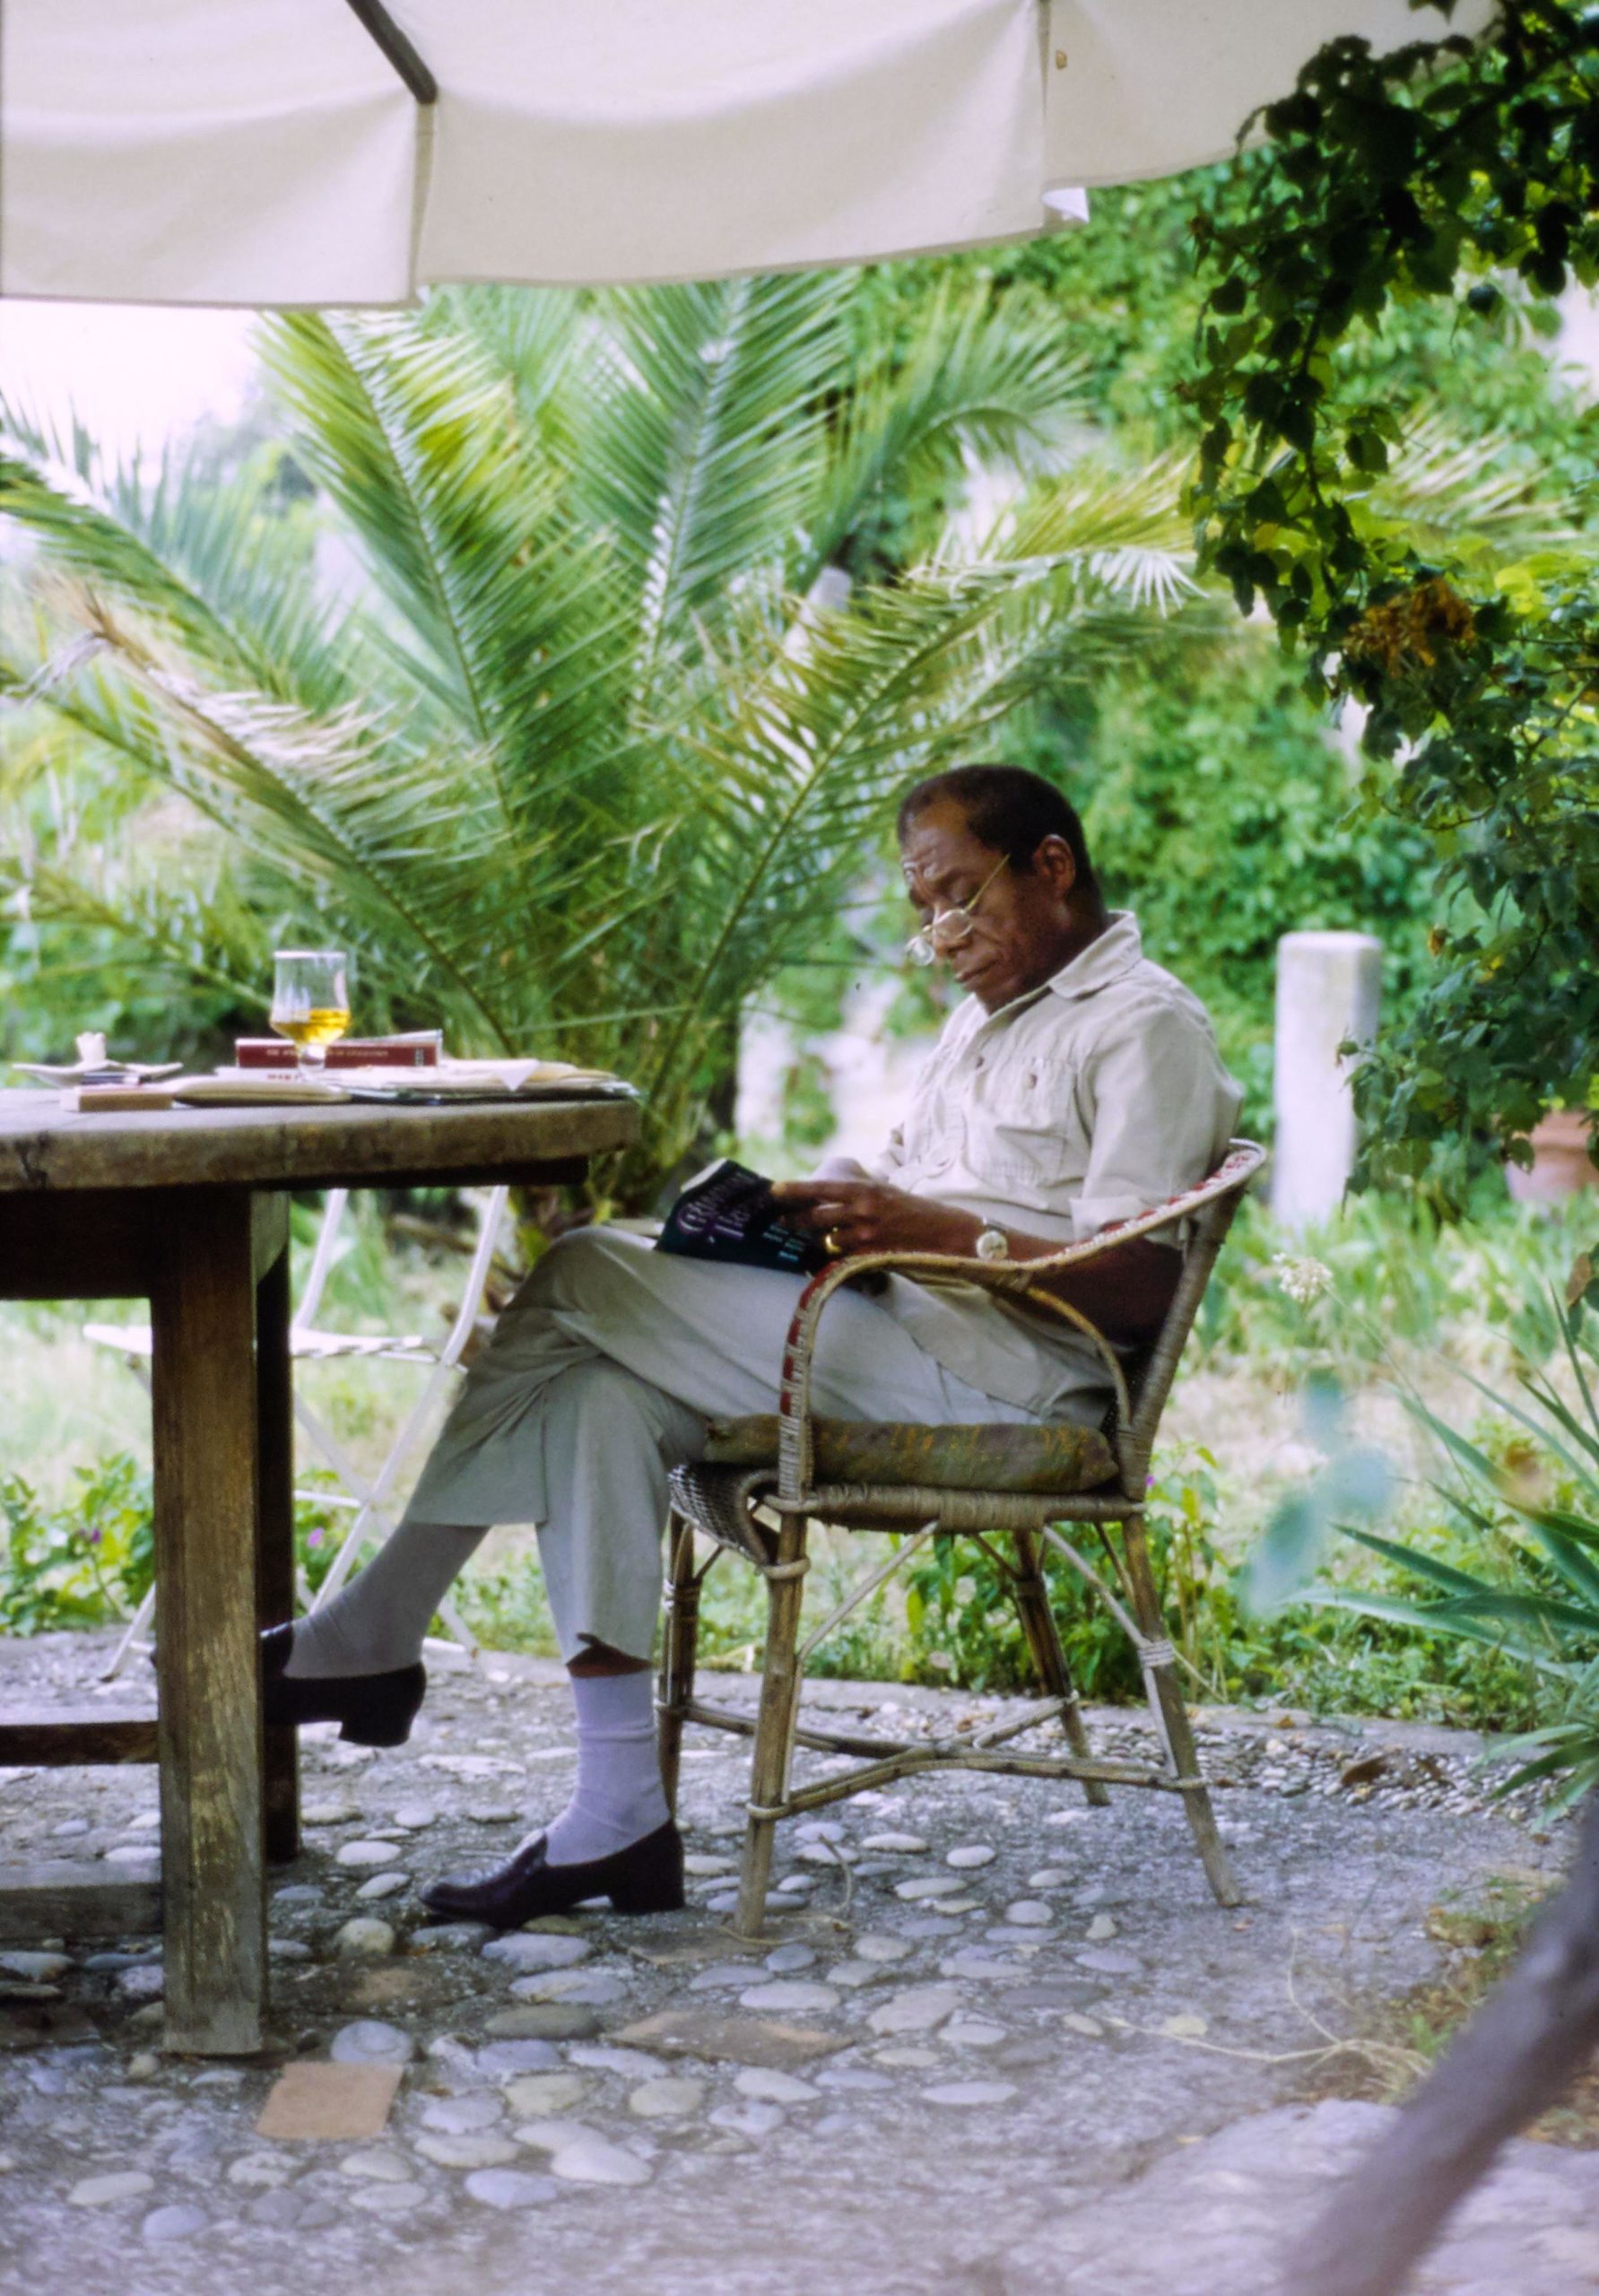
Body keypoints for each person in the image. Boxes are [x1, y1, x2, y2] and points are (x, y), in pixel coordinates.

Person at [264, 763, 1241, 1925]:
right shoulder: (981, 1023)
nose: (940, 934)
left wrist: (932, 1229)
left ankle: (374, 1633)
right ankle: (620, 1817)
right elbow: (928, 1186)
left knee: (577, 1270)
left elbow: (1136, 1286)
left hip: (1005, 1386)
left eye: (959, 897)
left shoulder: (1144, 1026)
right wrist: (848, 1197)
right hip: (888, 1327)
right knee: (596, 1403)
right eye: (921, 908)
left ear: (1052, 867)